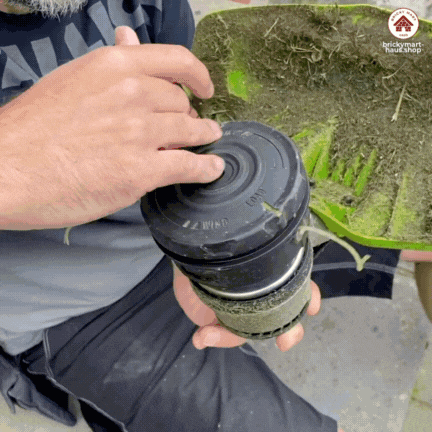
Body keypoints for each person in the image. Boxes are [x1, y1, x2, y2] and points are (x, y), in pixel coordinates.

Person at [0, 0, 410, 431]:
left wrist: (203, 250)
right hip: (73, 309)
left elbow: (194, 128)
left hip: (181, 238)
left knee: (400, 231)